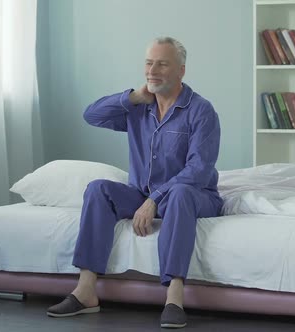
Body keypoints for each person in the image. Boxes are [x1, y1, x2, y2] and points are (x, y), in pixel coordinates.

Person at [46, 37, 223, 329]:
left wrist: (154, 199)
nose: (153, 70)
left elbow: (199, 170)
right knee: (98, 189)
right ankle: (86, 291)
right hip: (142, 194)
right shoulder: (139, 108)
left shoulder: (201, 110)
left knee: (178, 193)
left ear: (180, 70)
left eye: (162, 63)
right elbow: (91, 115)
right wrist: (131, 98)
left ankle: (174, 297)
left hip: (195, 195)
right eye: (149, 62)